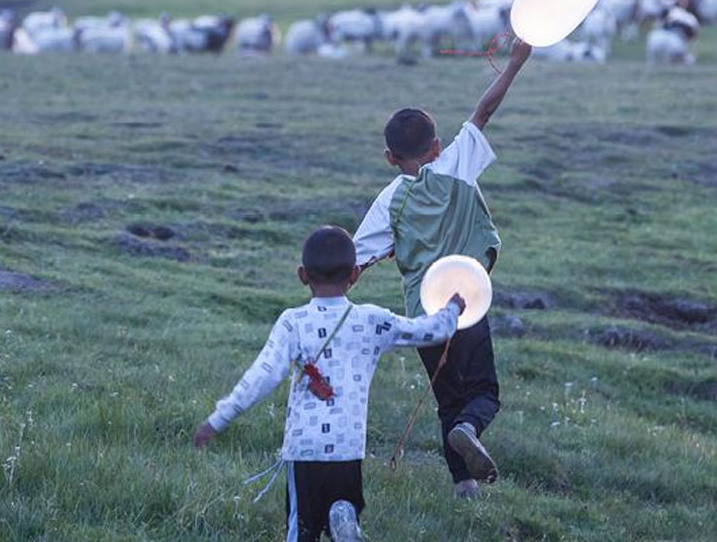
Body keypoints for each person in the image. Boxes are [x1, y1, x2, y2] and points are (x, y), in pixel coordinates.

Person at [192, 226, 465, 542]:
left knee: (302, 529)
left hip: (304, 448)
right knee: (342, 507)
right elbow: (425, 331)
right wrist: (452, 310)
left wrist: (218, 419)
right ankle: (343, 516)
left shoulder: (293, 322)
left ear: (302, 275)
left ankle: (329, 522)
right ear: (354, 274)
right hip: (347, 447)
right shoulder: (371, 320)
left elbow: (261, 376)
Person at [353, 40, 531, 498]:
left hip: (422, 314)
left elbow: (352, 264)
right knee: (482, 391)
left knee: (445, 398)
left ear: (390, 159)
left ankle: (463, 488)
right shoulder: (454, 166)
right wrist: (514, 63)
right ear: (435, 146)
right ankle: (470, 429)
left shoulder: (388, 200)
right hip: (466, 303)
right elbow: (483, 111)